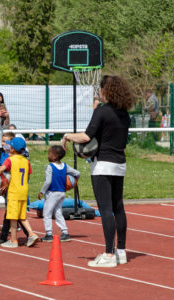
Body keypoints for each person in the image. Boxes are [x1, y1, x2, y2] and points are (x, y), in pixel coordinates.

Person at [62, 75, 133, 267]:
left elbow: (86, 137)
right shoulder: (125, 114)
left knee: (106, 210)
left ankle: (109, 255)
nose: (99, 93)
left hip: (102, 164)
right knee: (119, 207)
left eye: (100, 90)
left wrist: (67, 136)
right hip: (119, 163)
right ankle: (121, 251)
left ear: (106, 91)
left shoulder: (102, 111)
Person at [0, 137, 39, 248]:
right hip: (23, 190)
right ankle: (31, 233)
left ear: (12, 149)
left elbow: (2, 169)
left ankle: (13, 240)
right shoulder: (26, 161)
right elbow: (28, 176)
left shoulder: (10, 160)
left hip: (14, 191)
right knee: (22, 216)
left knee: (12, 217)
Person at [38, 145, 80, 242]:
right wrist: (74, 182)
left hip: (52, 193)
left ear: (54, 157)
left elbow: (48, 182)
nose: (48, 155)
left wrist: (42, 191)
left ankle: (49, 234)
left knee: (47, 214)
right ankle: (65, 233)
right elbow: (77, 173)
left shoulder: (50, 167)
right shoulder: (65, 166)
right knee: (58, 213)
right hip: (61, 193)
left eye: (49, 154)